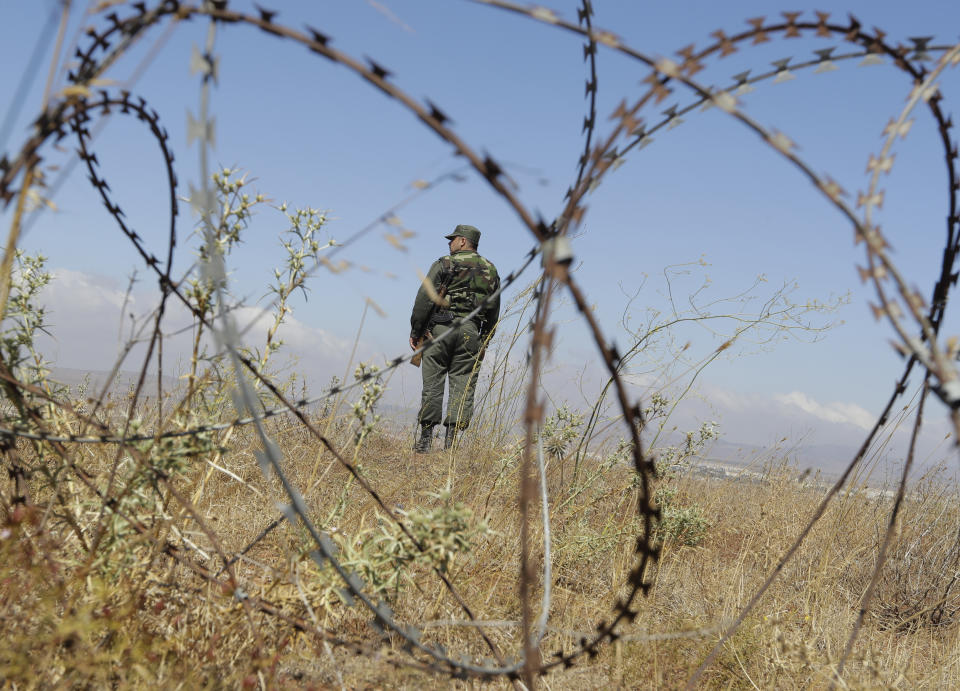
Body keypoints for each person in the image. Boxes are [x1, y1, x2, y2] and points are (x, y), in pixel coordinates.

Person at [409, 224, 500, 452]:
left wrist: (416, 330)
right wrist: (484, 339)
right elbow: (494, 310)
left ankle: (425, 442)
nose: (449, 244)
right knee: (463, 384)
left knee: (433, 382)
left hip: (440, 329)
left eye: (452, 240)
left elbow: (424, 298)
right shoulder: (491, 270)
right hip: (471, 332)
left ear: (462, 241)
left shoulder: (444, 263)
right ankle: (450, 446)